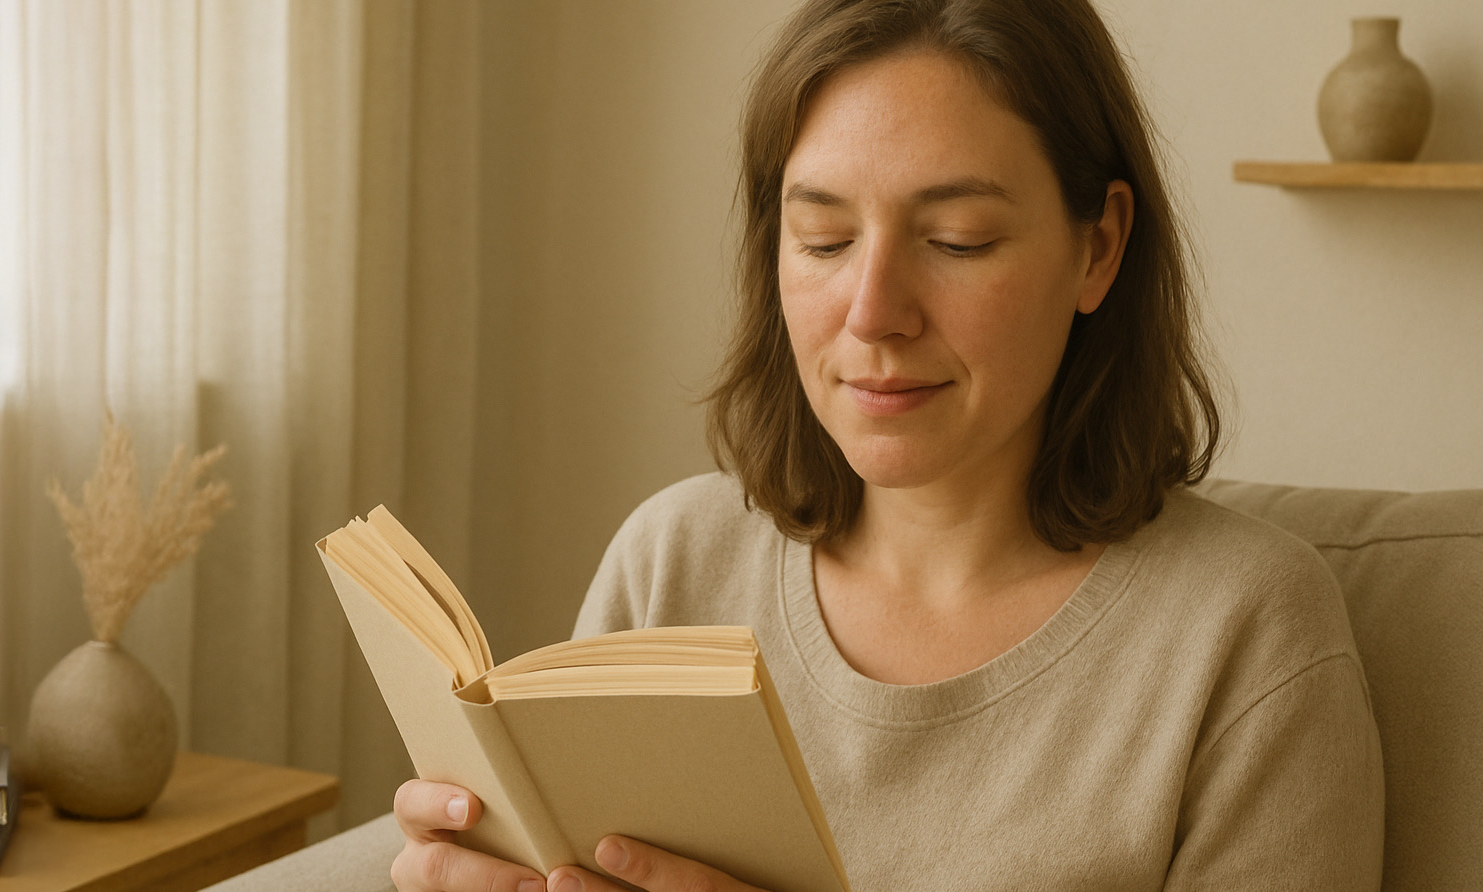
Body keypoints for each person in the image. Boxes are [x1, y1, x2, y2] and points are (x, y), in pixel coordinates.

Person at [392, 0, 1384, 889]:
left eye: (956, 240)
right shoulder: (672, 564)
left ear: (1099, 246)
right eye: (823, 239)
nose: (872, 312)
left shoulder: (1245, 631)